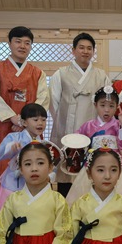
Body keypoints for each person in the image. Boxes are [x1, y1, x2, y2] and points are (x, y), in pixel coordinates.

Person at [0, 26, 49, 178]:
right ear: (9, 43)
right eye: (18, 41)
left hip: (29, 129)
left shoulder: (38, 73)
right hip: (1, 125)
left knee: (30, 163)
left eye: (27, 43)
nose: (22, 46)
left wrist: (25, 122)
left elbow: (43, 100)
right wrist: (13, 118)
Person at [49, 33, 111, 194]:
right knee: (66, 174)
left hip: (92, 131)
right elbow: (53, 104)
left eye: (89, 48)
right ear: (73, 50)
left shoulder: (101, 75)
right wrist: (63, 123)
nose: (85, 51)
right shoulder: (61, 74)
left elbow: (107, 105)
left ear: (93, 51)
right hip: (66, 130)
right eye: (81, 48)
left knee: (90, 173)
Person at [66, 86, 122, 205]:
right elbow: (77, 142)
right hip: (94, 164)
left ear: (117, 107)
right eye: (102, 105)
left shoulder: (118, 125)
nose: (107, 110)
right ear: (95, 105)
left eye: (111, 106)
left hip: (116, 164)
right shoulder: (88, 126)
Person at [0, 103, 48, 210]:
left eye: (43, 120)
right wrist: (11, 148)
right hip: (13, 183)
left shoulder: (44, 144)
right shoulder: (14, 137)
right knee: (6, 213)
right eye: (35, 120)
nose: (40, 123)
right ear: (24, 122)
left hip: (35, 184)